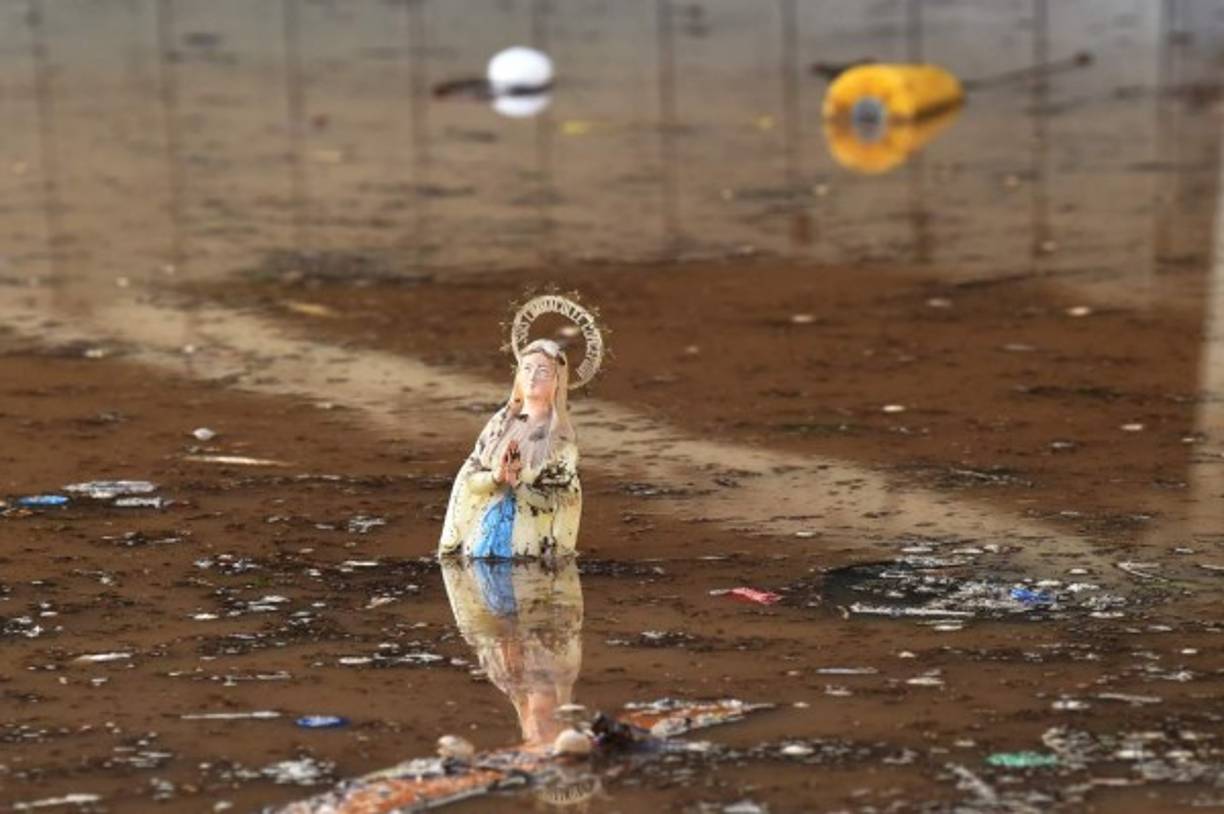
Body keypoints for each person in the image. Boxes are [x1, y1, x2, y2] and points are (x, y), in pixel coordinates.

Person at [439, 338, 582, 559]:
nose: (532, 377)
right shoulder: (500, 425)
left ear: (557, 380)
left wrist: (518, 483)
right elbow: (469, 478)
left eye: (543, 371)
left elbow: (558, 500)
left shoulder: (560, 438)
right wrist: (495, 477)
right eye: (526, 368)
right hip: (482, 539)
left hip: (528, 547)